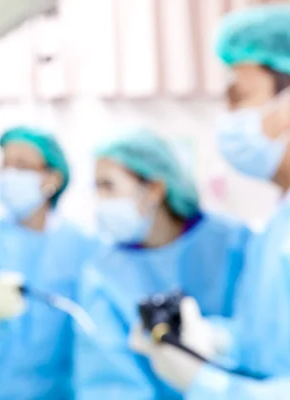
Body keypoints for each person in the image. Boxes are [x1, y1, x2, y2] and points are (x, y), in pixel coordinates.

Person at [132, 4, 290, 399]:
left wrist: (213, 387)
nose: (227, 118)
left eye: (238, 98)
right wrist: (213, 339)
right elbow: (280, 344)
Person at [74, 130, 251, 399]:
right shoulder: (102, 273)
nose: (100, 202)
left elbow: (267, 336)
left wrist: (217, 341)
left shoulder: (234, 244)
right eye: (96, 188)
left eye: (108, 186)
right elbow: (107, 381)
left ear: (154, 189)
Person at [0, 125, 99, 400]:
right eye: (5, 166)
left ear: (53, 177)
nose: (10, 175)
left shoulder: (84, 246)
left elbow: (96, 331)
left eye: (23, 166)